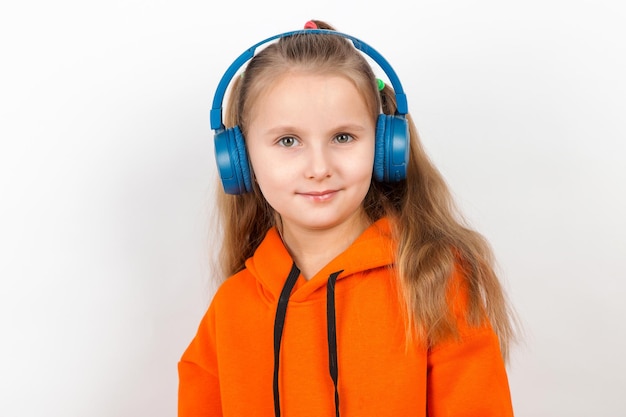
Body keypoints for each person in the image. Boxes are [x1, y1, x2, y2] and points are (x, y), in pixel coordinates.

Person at [178, 19, 517, 416]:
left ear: (384, 146)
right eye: (288, 141)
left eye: (343, 137)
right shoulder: (230, 309)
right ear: (239, 157)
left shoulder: (435, 280)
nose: (319, 167)